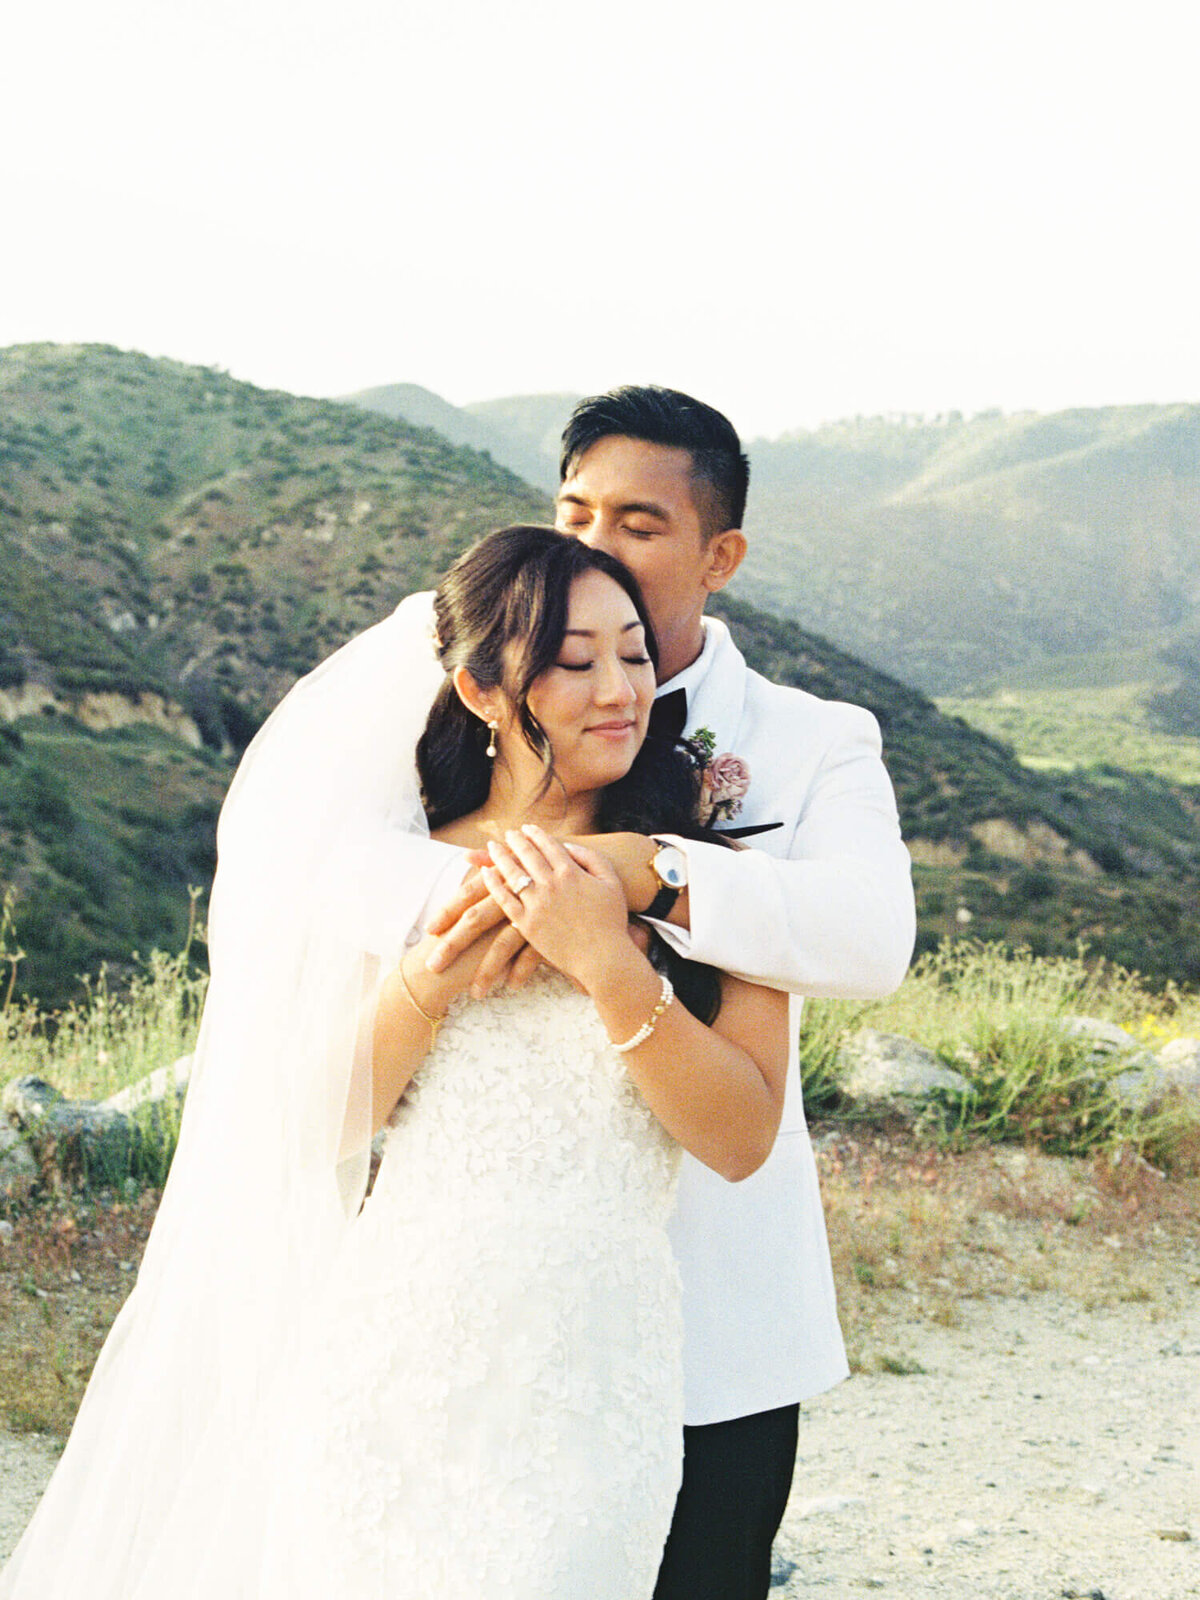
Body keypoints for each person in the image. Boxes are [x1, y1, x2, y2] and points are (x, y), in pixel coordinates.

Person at [0, 526, 788, 1600]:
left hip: (592, 1372)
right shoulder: (395, 863)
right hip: (395, 1346)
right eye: (575, 659)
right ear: (481, 689)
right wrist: (429, 977)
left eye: (636, 653)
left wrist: (609, 961)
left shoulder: (707, 878)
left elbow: (742, 1139)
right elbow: (317, 1124)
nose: (621, 688)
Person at [424, 386, 917, 1600]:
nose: (594, 545)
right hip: (490, 1311)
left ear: (720, 554)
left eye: (639, 522)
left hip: (721, 1322)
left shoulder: (809, 743)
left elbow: (870, 936)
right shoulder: (448, 715)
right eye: (574, 509)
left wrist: (655, 871)